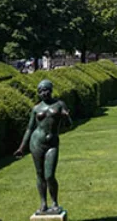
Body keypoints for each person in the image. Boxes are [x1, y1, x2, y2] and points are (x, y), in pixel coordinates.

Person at [15, 79, 72, 216]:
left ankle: (55, 203)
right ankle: (43, 203)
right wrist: (21, 148)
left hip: (52, 144)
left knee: (50, 175)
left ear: (51, 90)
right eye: (40, 91)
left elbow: (69, 125)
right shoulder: (36, 109)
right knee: (40, 174)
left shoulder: (59, 104)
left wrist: (66, 118)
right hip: (36, 142)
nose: (43, 93)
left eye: (46, 90)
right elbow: (29, 129)